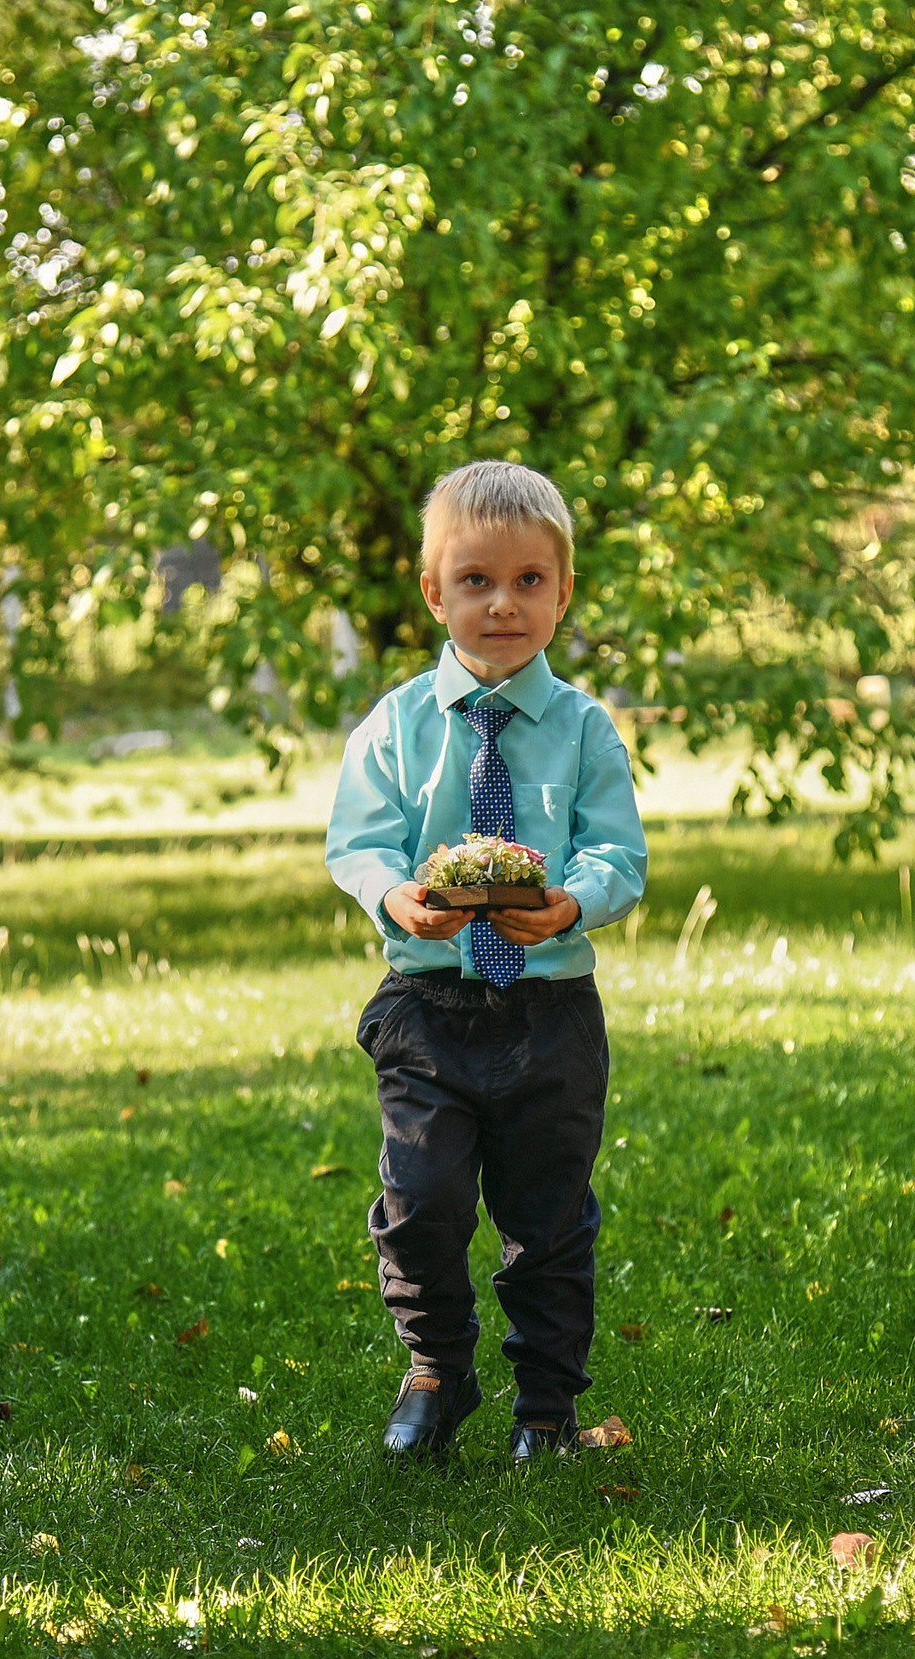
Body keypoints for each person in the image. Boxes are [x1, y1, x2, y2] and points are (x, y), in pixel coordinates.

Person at [325, 461, 646, 1464]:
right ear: (434, 593)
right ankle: (436, 1368)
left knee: (548, 1217)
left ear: (562, 591)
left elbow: (616, 852)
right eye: (474, 580)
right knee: (419, 1200)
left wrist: (570, 902)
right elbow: (360, 840)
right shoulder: (397, 724)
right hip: (427, 1002)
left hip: (548, 1008)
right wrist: (395, 894)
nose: (502, 603)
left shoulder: (587, 727)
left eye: (527, 581)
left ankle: (546, 1408)